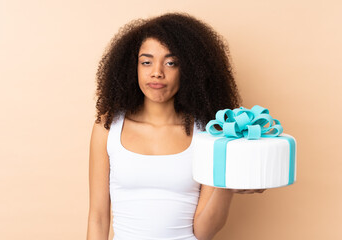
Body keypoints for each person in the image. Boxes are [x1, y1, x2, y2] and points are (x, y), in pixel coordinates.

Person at [86, 12, 266, 240]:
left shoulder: (209, 133)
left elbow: (204, 231)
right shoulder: (107, 127)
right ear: (133, 67)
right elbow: (98, 217)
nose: (157, 72)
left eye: (171, 63)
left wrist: (226, 182)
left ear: (190, 70)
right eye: (146, 62)